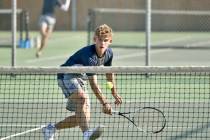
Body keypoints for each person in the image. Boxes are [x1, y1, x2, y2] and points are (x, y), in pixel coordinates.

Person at [42, 24, 122, 140]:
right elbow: (94, 84)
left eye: (105, 41)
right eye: (100, 40)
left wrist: (113, 92)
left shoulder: (109, 54)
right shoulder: (89, 56)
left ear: (110, 41)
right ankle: (86, 134)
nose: (102, 43)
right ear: (95, 39)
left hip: (80, 78)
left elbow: (109, 74)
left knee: (83, 118)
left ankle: (51, 128)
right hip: (66, 75)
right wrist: (105, 103)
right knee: (82, 98)